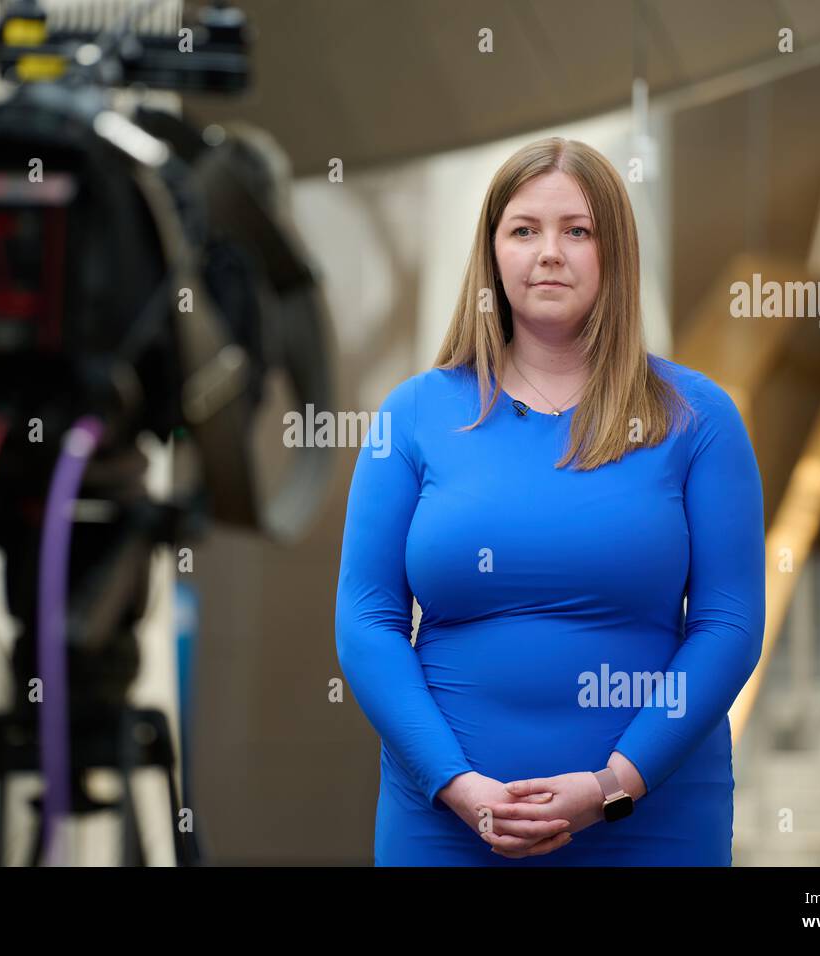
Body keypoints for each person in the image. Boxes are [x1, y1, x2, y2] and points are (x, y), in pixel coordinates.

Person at [334, 136, 766, 865]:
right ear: (492, 253)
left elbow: (728, 625)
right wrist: (457, 784)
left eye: (578, 230)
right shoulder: (412, 414)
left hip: (648, 819)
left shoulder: (699, 416)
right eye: (524, 230)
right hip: (446, 821)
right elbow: (367, 621)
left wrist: (613, 786)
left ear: (615, 252)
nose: (550, 253)